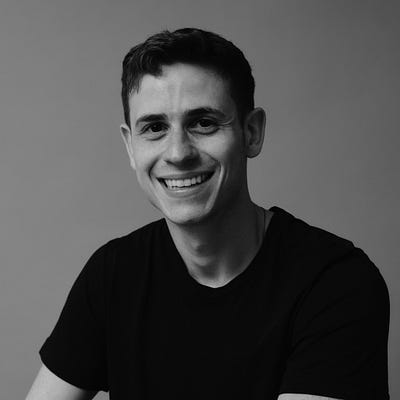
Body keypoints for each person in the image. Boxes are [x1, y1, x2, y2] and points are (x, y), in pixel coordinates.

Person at [26, 28, 390, 400]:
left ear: (251, 133)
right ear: (131, 146)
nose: (178, 153)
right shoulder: (113, 275)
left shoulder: (336, 283)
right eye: (154, 128)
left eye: (204, 123)